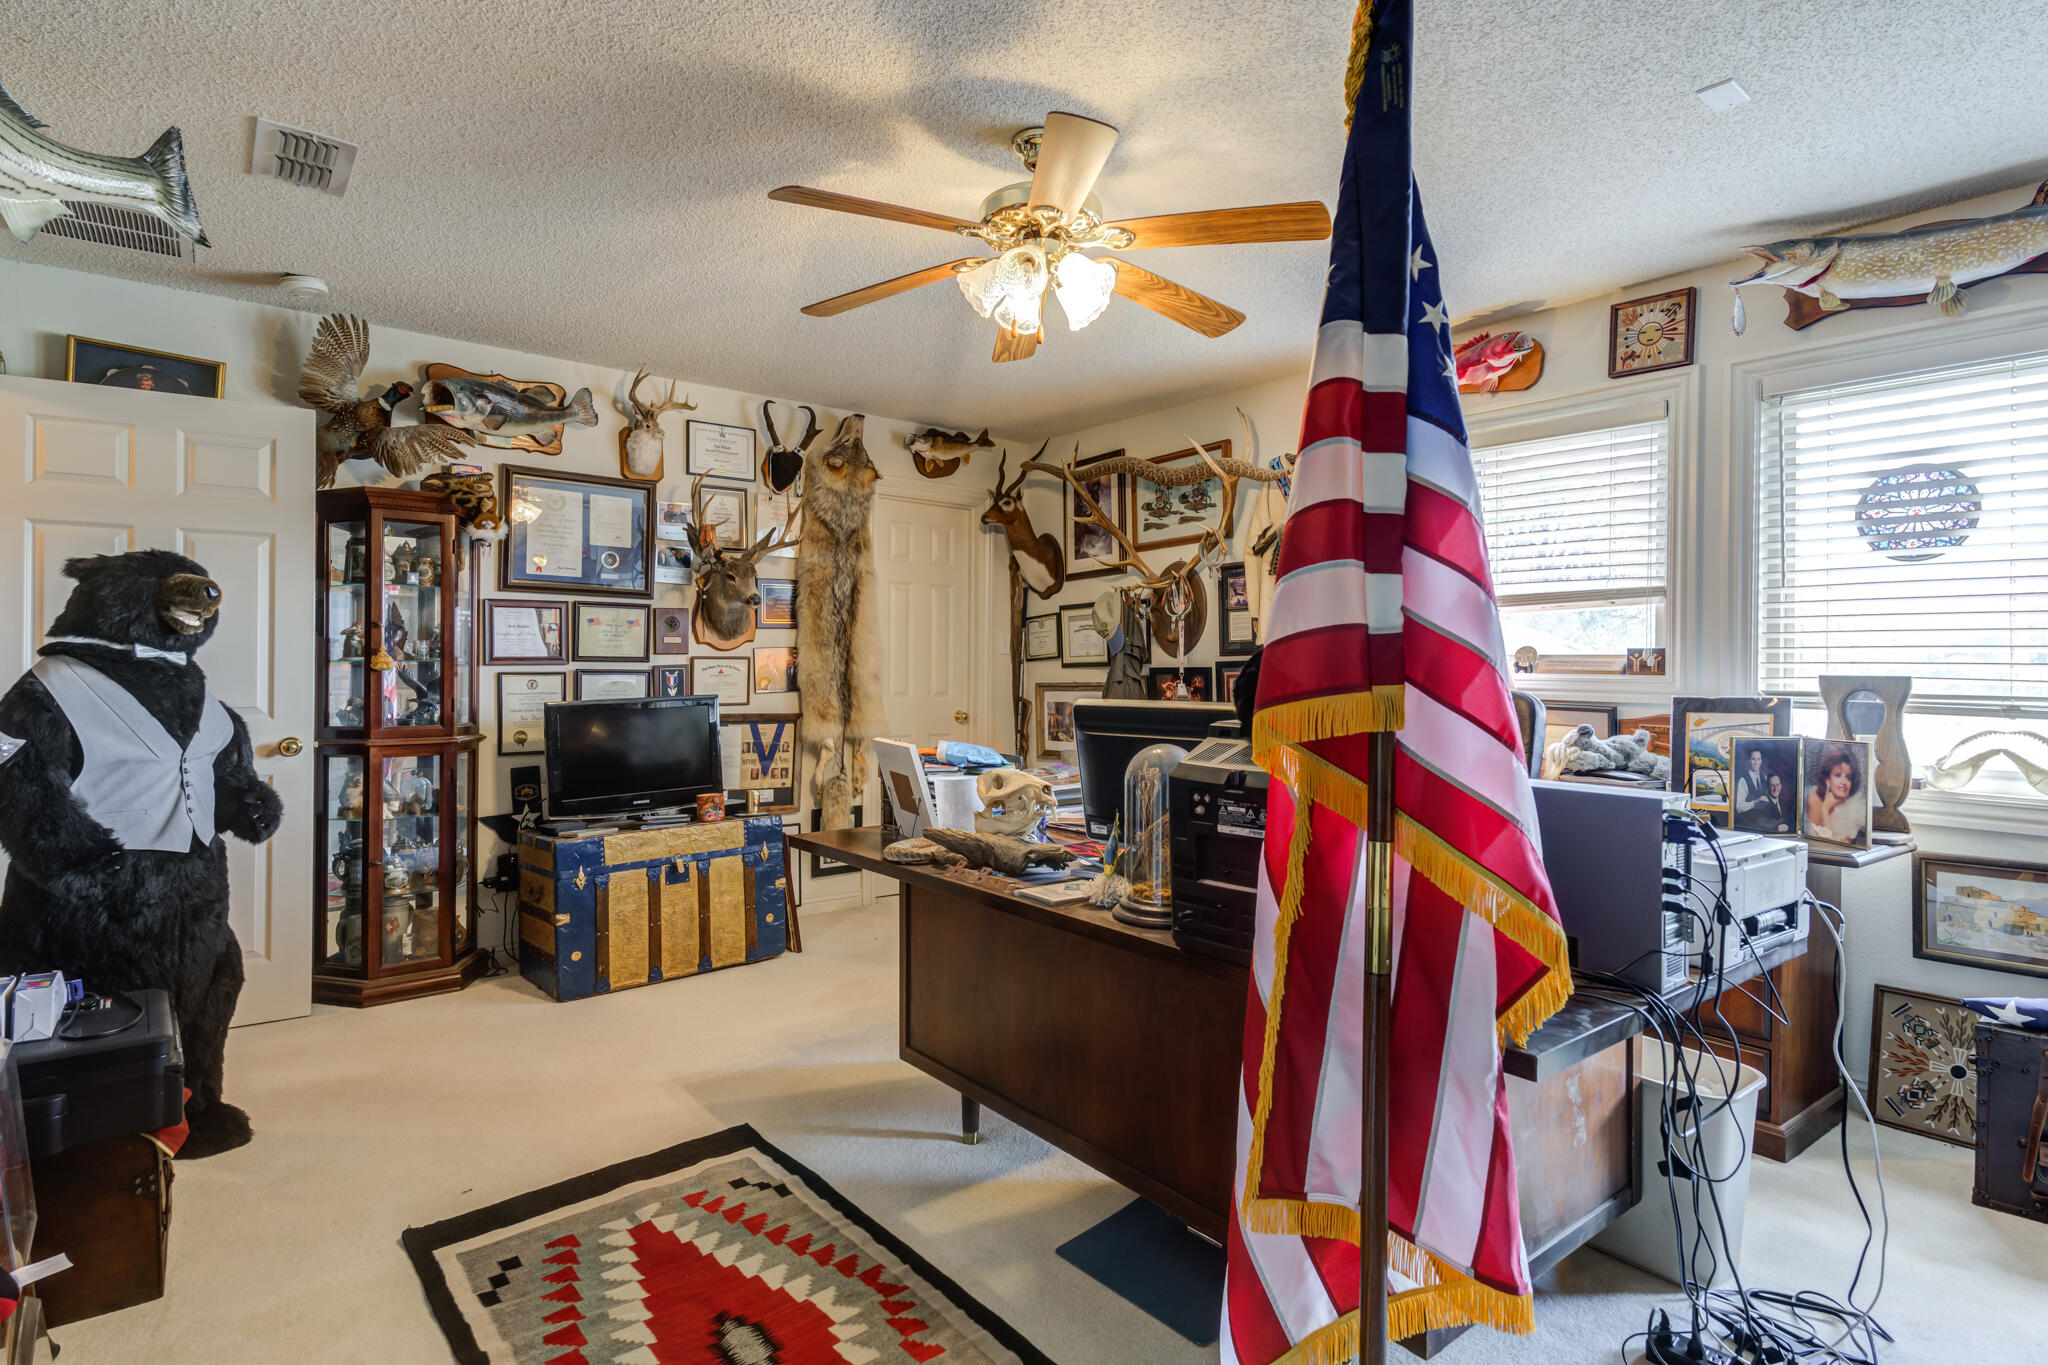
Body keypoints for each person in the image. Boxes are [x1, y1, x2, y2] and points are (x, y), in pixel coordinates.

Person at [1805, 745, 1866, 843]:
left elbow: (1837, 847)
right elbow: (1819, 843)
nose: (1844, 782)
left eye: (1848, 777)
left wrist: (1825, 810)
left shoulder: (1855, 810)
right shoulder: (1813, 799)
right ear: (1827, 780)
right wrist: (1825, 807)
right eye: (1838, 775)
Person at [1733, 748, 1772, 820]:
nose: (1756, 762)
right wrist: (1756, 801)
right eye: (1753, 759)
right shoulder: (1743, 780)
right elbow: (1739, 808)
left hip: (1764, 821)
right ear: (1749, 761)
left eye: (1758, 759)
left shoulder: (1765, 778)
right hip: (1748, 821)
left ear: (1761, 761)